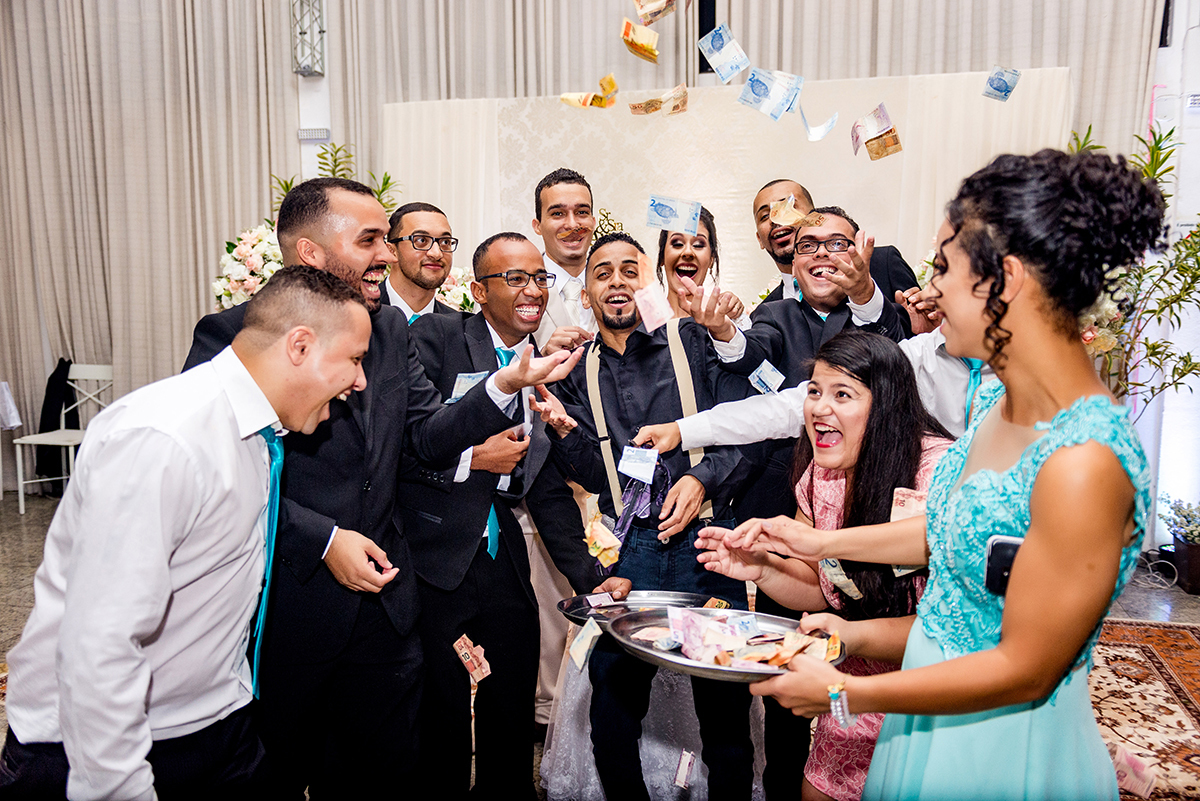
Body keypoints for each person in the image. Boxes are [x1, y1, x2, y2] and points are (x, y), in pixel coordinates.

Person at [713, 150, 1165, 800]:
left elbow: (1026, 669)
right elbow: (954, 529)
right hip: (923, 722)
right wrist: (817, 543)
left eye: (943, 269)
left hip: (999, 749)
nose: (925, 292)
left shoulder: (1084, 463)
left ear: (1002, 280)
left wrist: (849, 689)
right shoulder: (990, 394)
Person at [181, 177, 581, 798]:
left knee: (386, 773)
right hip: (292, 605)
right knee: (279, 770)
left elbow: (425, 437)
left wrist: (502, 387)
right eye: (370, 239)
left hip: (388, 607)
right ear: (311, 253)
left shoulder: (390, 331)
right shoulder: (233, 336)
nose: (388, 255)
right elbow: (216, 481)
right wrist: (322, 539)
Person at [1, 266, 372, 800]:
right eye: (355, 359)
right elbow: (99, 643)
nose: (360, 381)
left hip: (218, 721)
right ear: (299, 345)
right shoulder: (165, 437)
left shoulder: (259, 431)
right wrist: (121, 790)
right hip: (100, 748)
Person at [400, 232, 629, 800]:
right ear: (478, 290)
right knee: (443, 708)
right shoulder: (434, 338)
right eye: (515, 278)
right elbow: (404, 444)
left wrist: (593, 584)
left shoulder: (552, 363)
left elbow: (547, 490)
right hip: (433, 555)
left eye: (539, 278)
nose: (532, 290)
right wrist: (472, 458)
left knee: (514, 686)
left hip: (502, 555)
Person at [537, 232, 756, 801]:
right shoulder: (577, 368)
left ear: (648, 281)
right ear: (585, 294)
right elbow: (593, 470)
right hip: (629, 551)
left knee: (723, 706)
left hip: (706, 546)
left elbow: (750, 430)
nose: (617, 282)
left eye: (629, 270)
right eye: (602, 273)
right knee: (614, 702)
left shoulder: (694, 341)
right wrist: (563, 428)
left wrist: (699, 477)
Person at [694, 330, 954, 801]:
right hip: (849, 682)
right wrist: (762, 569)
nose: (819, 408)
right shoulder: (822, 473)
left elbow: (948, 617)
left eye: (842, 394)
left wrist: (819, 543)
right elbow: (824, 588)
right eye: (814, 391)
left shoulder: (935, 471)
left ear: (887, 405)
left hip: (931, 691)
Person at [527, 166, 600, 735]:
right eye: (558, 213)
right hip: (544, 484)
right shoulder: (523, 288)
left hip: (617, 480)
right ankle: (555, 735)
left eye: (581, 212)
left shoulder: (622, 282)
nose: (572, 224)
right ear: (538, 223)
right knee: (555, 619)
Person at [751, 180, 918, 312]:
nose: (777, 219)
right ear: (759, 238)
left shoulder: (883, 263)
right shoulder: (766, 311)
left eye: (788, 207)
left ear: (816, 217)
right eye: (765, 216)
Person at [656, 204, 750, 328]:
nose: (688, 252)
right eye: (678, 243)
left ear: (711, 259)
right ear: (662, 257)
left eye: (699, 245)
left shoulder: (728, 320)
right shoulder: (640, 325)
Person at [381, 201, 460, 318]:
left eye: (445, 242)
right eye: (421, 240)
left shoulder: (460, 328)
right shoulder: (357, 314)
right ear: (391, 251)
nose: (436, 253)